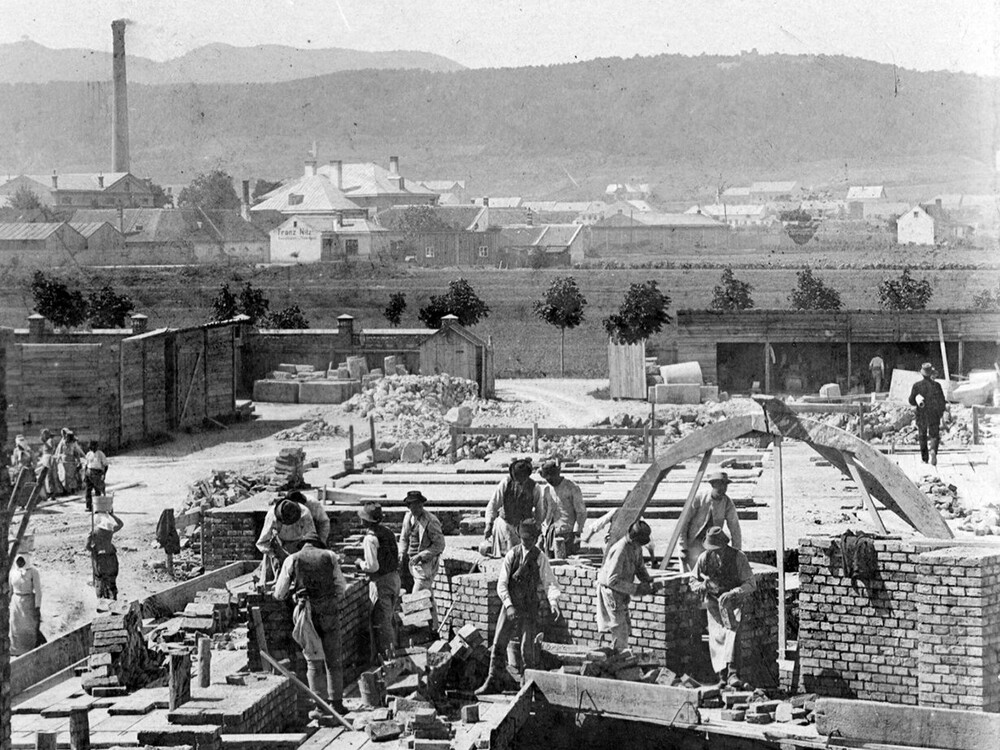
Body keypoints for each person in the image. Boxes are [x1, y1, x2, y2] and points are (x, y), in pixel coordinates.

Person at [476, 519, 561, 695]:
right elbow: (502, 584)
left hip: (529, 607)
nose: (527, 542)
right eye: (524, 539)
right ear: (519, 536)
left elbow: (549, 582)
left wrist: (553, 602)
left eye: (530, 539)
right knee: (499, 642)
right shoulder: (512, 555)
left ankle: (526, 685)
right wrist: (508, 605)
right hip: (511, 604)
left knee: (526, 648)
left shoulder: (540, 557)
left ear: (536, 538)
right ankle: (493, 679)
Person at [273, 532, 349, 718]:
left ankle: (320, 706)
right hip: (329, 611)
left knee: (313, 660)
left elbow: (279, 593)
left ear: (303, 545)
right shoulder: (330, 556)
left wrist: (292, 594)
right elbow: (341, 587)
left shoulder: (293, 559)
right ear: (318, 545)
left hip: (306, 611)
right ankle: (336, 703)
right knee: (333, 659)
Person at [690, 526, 756, 688]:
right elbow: (693, 582)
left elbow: (750, 583)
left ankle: (733, 673)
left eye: (718, 549)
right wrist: (702, 586)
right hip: (713, 604)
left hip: (733, 604)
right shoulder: (704, 558)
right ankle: (721, 676)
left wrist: (734, 592)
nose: (716, 553)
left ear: (724, 545)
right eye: (713, 549)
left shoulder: (738, 557)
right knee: (717, 638)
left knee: (731, 634)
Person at [595, 519, 660, 651]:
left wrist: (648, 581)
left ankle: (620, 653)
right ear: (633, 539)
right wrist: (636, 589)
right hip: (611, 593)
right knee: (619, 629)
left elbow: (640, 568)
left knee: (624, 628)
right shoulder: (621, 549)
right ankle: (621, 659)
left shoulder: (635, 547)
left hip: (621, 591)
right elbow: (611, 580)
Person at [355, 502, 400, 663]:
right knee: (389, 617)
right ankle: (393, 651)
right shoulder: (388, 532)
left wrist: (360, 563)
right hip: (394, 578)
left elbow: (373, 566)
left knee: (383, 621)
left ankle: (389, 659)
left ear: (367, 521)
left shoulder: (370, 538)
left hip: (381, 582)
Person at [256, 492, 331, 581]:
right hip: (279, 547)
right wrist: (273, 555)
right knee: (273, 579)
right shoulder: (272, 516)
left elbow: (312, 538)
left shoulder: (305, 513)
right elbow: (262, 542)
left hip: (299, 546)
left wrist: (305, 555)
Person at [398, 490, 445, 629]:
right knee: (428, 596)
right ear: (408, 506)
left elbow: (439, 545)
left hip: (426, 564)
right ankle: (434, 628)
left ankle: (415, 630)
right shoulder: (408, 518)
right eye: (412, 505)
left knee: (416, 596)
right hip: (413, 564)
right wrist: (402, 553)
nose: (416, 508)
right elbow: (403, 538)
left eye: (418, 505)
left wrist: (421, 555)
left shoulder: (431, 520)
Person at [678, 470, 742, 572]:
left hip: (712, 543)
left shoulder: (727, 503)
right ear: (713, 485)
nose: (723, 488)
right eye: (720, 484)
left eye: (725, 485)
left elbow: (735, 528)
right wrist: (683, 547)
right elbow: (683, 522)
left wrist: (737, 552)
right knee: (688, 575)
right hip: (693, 542)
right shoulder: (699, 498)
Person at [483, 458, 548, 557]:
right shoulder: (505, 483)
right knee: (505, 556)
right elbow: (493, 505)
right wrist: (489, 523)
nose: (519, 483)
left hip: (523, 527)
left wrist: (537, 527)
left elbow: (540, 511)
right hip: (505, 525)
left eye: (522, 481)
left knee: (520, 557)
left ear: (527, 477)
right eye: (517, 480)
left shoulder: (535, 488)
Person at [539, 461, 585, 558]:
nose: (549, 480)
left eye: (551, 477)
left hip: (567, 533)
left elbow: (581, 512)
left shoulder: (571, 487)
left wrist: (577, 533)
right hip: (550, 533)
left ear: (557, 474)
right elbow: (544, 511)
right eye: (547, 478)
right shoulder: (547, 490)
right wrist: (540, 530)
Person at [909, 362, 948, 466]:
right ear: (931, 373)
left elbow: (911, 401)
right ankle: (933, 451)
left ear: (922, 374)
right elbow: (942, 401)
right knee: (934, 434)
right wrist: (940, 413)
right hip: (934, 413)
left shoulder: (916, 386)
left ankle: (924, 458)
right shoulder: (937, 385)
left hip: (921, 413)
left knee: (922, 435)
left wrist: (917, 398)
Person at [9, 550, 42, 656]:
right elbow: (10, 590)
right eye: (18, 560)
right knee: (15, 626)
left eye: (21, 560)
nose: (19, 562)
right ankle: (16, 650)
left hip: (28, 602)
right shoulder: (13, 572)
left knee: (29, 627)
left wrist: (37, 606)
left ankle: (29, 650)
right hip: (16, 602)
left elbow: (38, 591)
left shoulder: (33, 572)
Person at [87, 512, 124, 601]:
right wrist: (112, 514)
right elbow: (121, 524)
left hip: (100, 558)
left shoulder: (94, 532)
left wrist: (93, 550)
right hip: (111, 556)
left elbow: (87, 546)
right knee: (111, 580)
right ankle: (113, 601)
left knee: (99, 579)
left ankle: (101, 602)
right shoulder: (110, 530)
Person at [55, 430, 85, 495]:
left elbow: (77, 452)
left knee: (71, 476)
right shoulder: (63, 442)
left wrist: (79, 460)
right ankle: (66, 490)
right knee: (65, 476)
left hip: (71, 461)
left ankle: (72, 489)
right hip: (64, 461)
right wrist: (58, 458)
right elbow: (59, 451)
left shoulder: (73, 443)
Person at [84, 441, 109, 512]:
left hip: (97, 473)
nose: (93, 449)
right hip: (89, 472)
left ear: (97, 447)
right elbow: (86, 465)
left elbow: (106, 465)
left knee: (97, 490)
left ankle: (98, 507)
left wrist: (104, 474)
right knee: (88, 491)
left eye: (94, 447)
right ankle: (88, 506)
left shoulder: (100, 454)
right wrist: (85, 475)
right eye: (91, 447)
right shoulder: (88, 454)